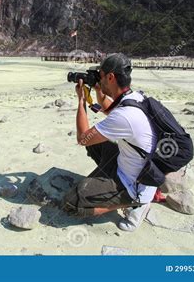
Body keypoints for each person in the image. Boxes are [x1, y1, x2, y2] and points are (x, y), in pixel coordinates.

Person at [63, 53, 158, 232]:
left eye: (101, 75)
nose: (98, 79)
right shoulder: (136, 98)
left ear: (111, 77)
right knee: (96, 143)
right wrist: (99, 91)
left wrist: (82, 100)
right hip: (136, 165)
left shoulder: (125, 115)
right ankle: (110, 184)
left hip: (135, 183)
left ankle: (135, 203)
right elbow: (107, 108)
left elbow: (83, 138)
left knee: (72, 203)